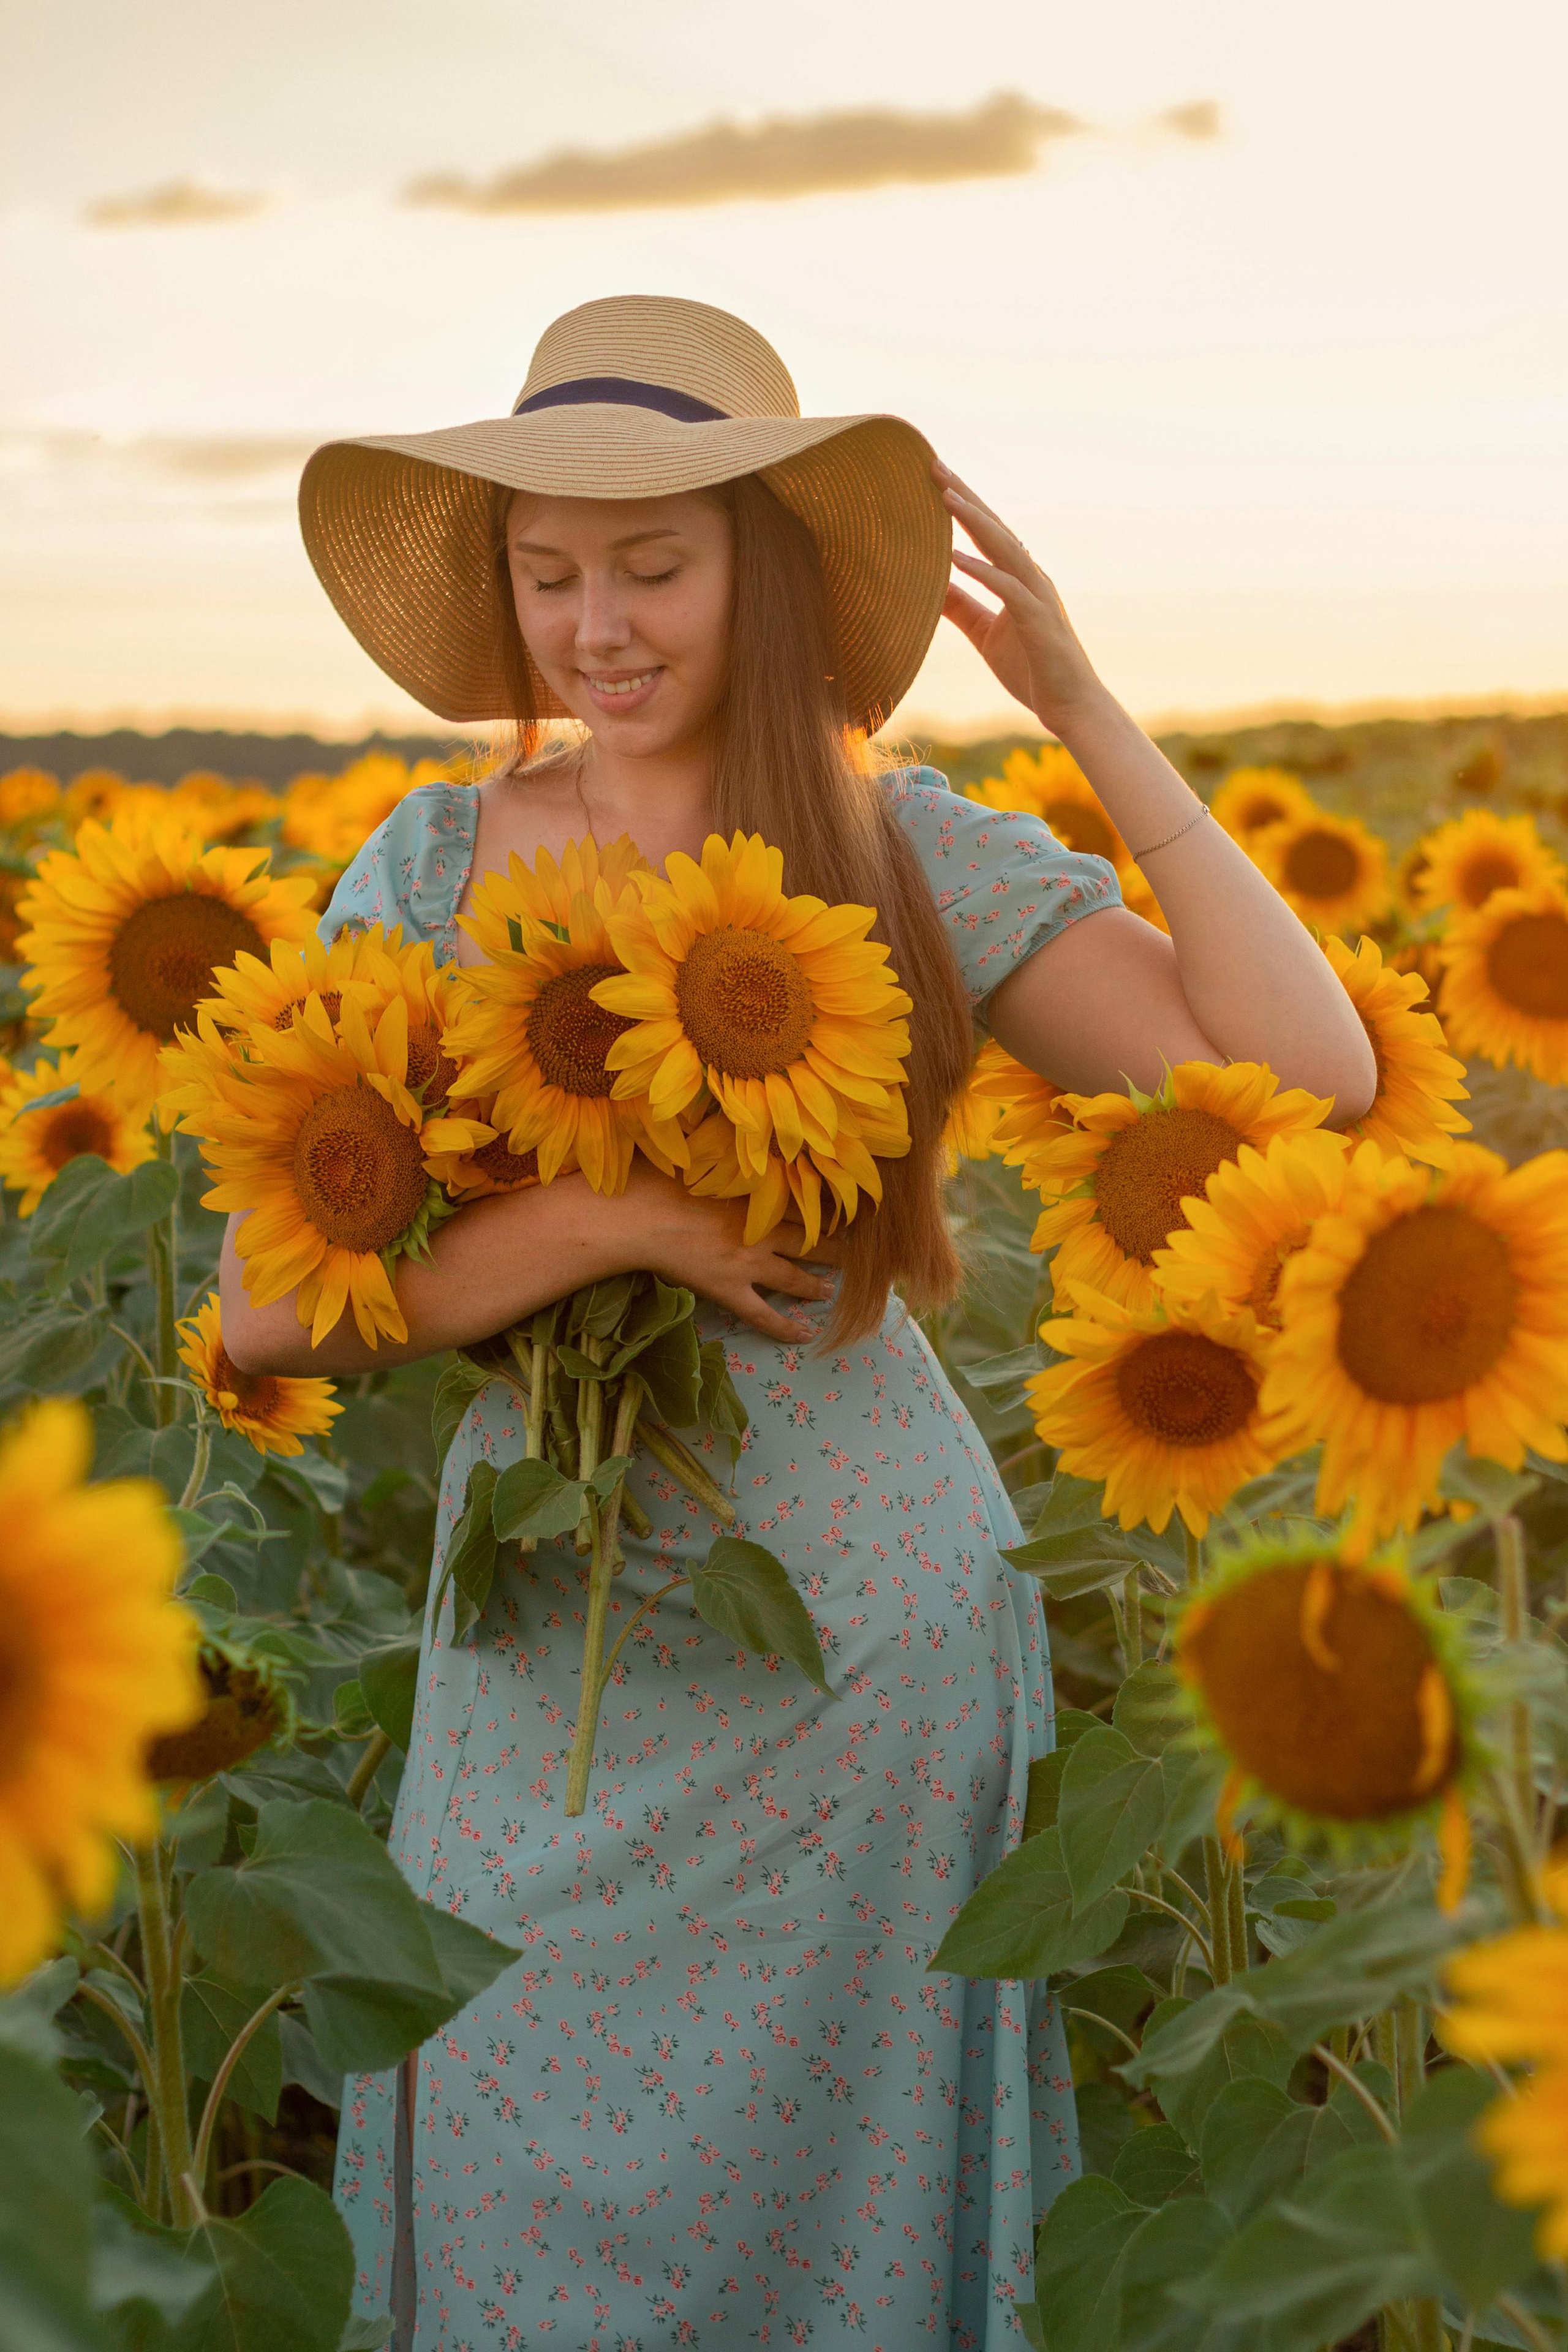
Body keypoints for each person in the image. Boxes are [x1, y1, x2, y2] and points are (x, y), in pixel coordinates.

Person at [223, 295, 1373, 2350]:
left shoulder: (902, 851)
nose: (599, 625)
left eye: (653, 566)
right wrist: (615, 1220)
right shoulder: (431, 862)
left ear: (764, 570)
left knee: (832, 2201)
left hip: (865, 1656)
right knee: (494, 2121)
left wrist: (1087, 708)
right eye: (549, 574)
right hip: (538, 1637)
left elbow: (1312, 1071)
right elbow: (274, 1310)